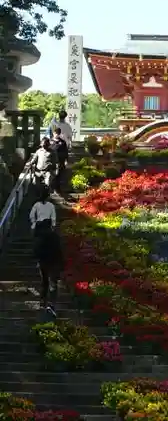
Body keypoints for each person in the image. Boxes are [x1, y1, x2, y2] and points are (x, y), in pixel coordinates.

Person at [29, 187, 62, 316]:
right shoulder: (45, 206)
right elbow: (34, 215)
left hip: (42, 230)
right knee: (50, 282)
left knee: (46, 281)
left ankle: (44, 302)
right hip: (43, 227)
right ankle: (49, 303)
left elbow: (33, 216)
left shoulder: (42, 205)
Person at [51, 127, 69, 193]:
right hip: (52, 162)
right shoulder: (50, 142)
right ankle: (52, 188)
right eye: (56, 133)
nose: (57, 135)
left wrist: (66, 160)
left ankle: (58, 188)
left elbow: (65, 152)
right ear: (53, 133)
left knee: (59, 175)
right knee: (52, 175)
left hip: (60, 161)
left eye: (58, 133)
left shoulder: (62, 142)